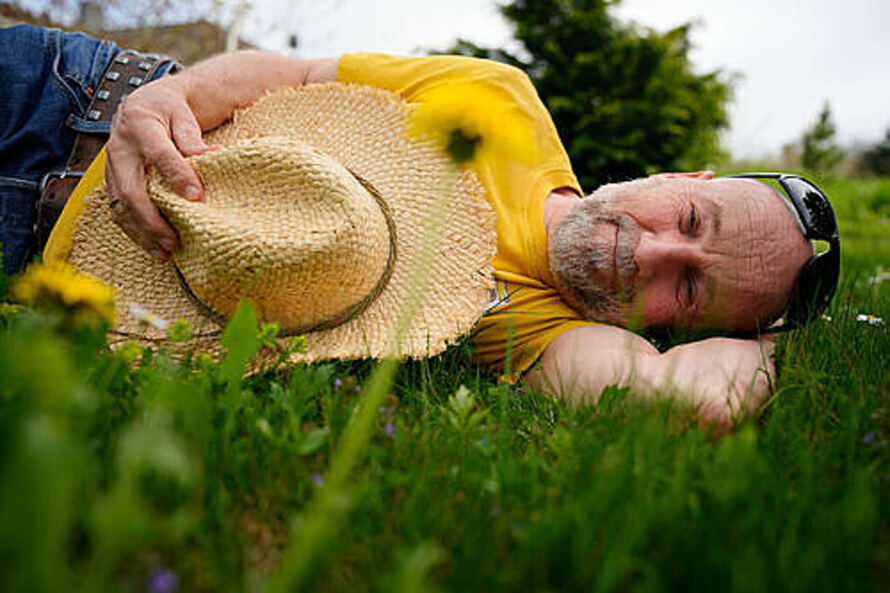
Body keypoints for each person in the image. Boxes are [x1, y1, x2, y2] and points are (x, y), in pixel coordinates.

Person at [1, 25, 840, 427]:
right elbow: (291, 72)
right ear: (684, 177)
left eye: (688, 287)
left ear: (676, 331)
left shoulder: (549, 334)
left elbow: (697, 404)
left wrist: (769, 333)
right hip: (71, 91)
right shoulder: (503, 98)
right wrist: (168, 97)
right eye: (689, 218)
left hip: (32, 257)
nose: (651, 249)